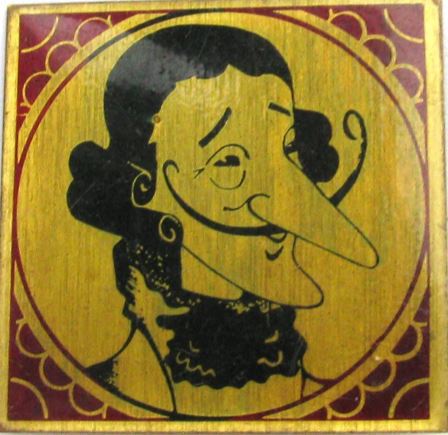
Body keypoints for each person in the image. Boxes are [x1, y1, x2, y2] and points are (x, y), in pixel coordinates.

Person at [67, 24, 378, 417]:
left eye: (287, 149)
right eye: (228, 161)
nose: (283, 195)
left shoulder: (347, 408)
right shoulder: (86, 403)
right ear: (146, 185)